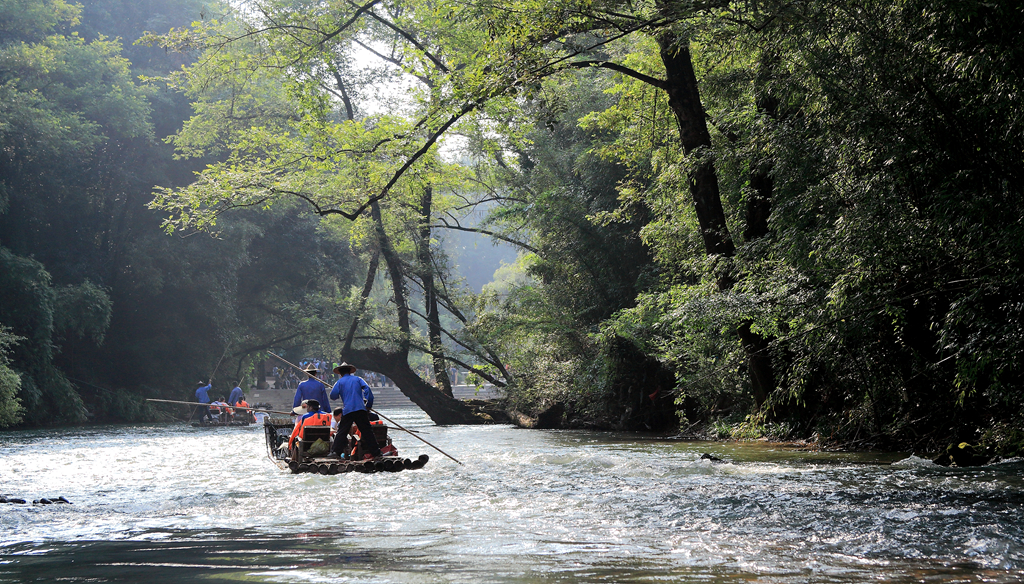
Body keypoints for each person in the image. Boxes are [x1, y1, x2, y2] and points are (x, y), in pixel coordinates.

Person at [328, 361, 382, 459]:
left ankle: (336, 452)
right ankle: (376, 453)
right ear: (350, 371)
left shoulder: (339, 382)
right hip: (360, 409)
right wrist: (369, 404)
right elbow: (367, 389)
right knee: (367, 431)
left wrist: (340, 390)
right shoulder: (358, 379)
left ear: (340, 373)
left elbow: (333, 396)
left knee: (342, 431)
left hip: (348, 410)